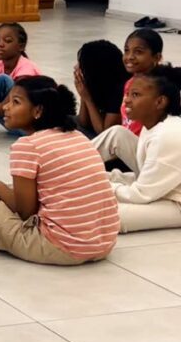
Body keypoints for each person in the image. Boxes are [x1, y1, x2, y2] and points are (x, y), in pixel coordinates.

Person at [0, 76, 119, 265]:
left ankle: (2, 241)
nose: (5, 107)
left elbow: (25, 212)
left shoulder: (28, 145)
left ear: (38, 111)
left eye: (15, 102)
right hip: (104, 243)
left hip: (61, 247)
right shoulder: (78, 136)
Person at [92, 65, 181, 232]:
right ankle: (66, 163)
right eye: (127, 94)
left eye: (135, 95)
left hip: (175, 201)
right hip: (161, 186)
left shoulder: (168, 135)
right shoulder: (154, 124)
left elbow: (140, 195)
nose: (126, 100)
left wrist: (100, 184)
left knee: (107, 215)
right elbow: (146, 176)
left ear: (160, 102)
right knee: (117, 133)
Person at [74, 40, 130, 138]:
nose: (76, 67)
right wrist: (84, 92)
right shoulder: (100, 84)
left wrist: (88, 99)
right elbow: (83, 122)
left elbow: (105, 133)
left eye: (82, 64)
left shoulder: (121, 89)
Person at [119, 28, 164, 136]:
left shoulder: (158, 88)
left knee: (116, 134)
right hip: (127, 143)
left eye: (138, 52)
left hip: (145, 146)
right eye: (126, 50)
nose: (130, 57)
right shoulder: (130, 82)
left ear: (156, 57)